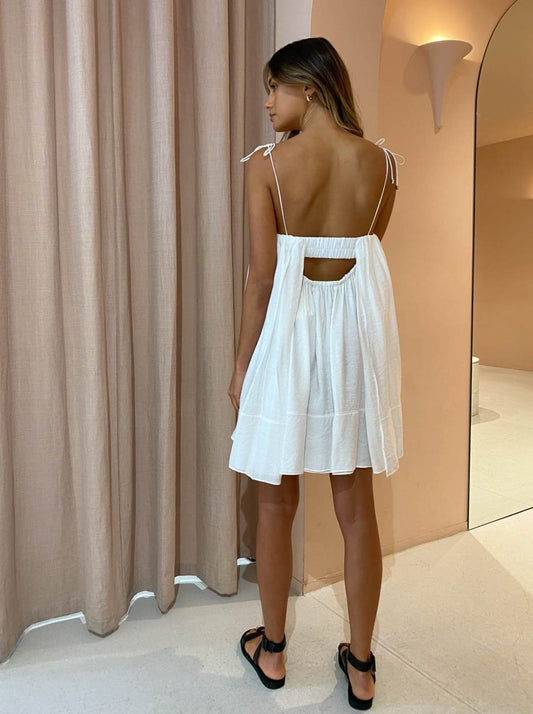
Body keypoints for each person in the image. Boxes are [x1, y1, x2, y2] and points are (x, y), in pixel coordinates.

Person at [228, 37, 403, 711]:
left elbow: (261, 278)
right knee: (356, 507)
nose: (268, 104)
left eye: (273, 88)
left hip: (288, 337)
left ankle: (272, 651)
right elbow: (365, 249)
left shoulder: (266, 167)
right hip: (355, 343)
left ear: (308, 86)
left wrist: (241, 366)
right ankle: (360, 665)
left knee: (276, 499)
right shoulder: (383, 164)